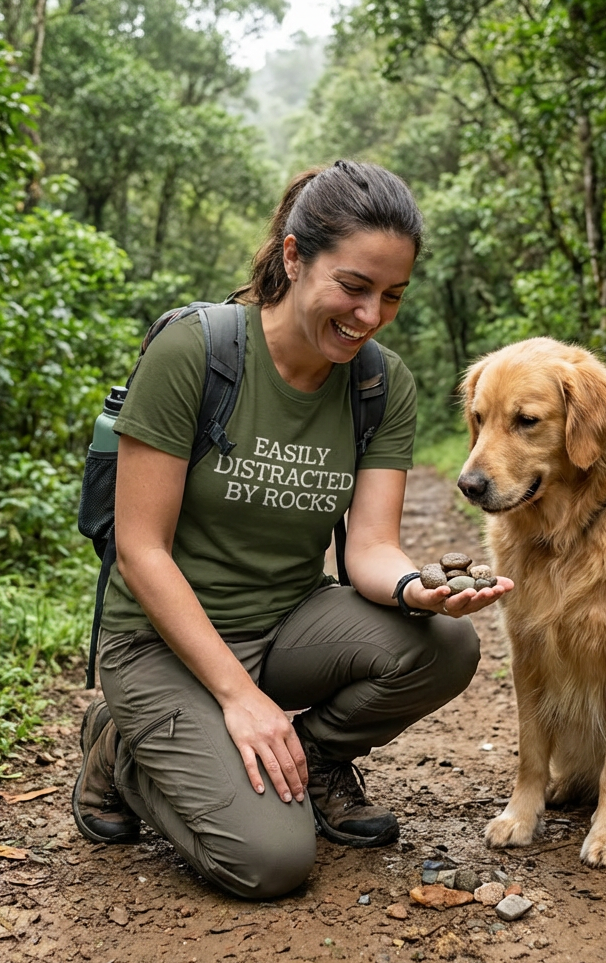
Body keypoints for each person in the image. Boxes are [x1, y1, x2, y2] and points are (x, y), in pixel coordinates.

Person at [71, 160, 514, 900]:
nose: (370, 315)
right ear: (292, 257)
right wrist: (239, 698)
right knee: (271, 861)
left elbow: (369, 545)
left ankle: (309, 759)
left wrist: (415, 591)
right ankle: (118, 749)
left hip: (285, 625)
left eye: (393, 295)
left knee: (446, 646)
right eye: (354, 286)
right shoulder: (197, 352)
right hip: (159, 642)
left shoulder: (378, 384)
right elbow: (139, 549)